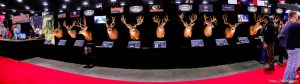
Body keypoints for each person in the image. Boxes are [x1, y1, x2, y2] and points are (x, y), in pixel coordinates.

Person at [282, 11, 300, 83]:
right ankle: (285, 80)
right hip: (294, 47)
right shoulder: (295, 24)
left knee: (293, 63)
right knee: (291, 64)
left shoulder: (287, 24)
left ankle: (292, 77)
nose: (297, 17)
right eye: (297, 16)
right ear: (294, 16)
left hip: (289, 46)